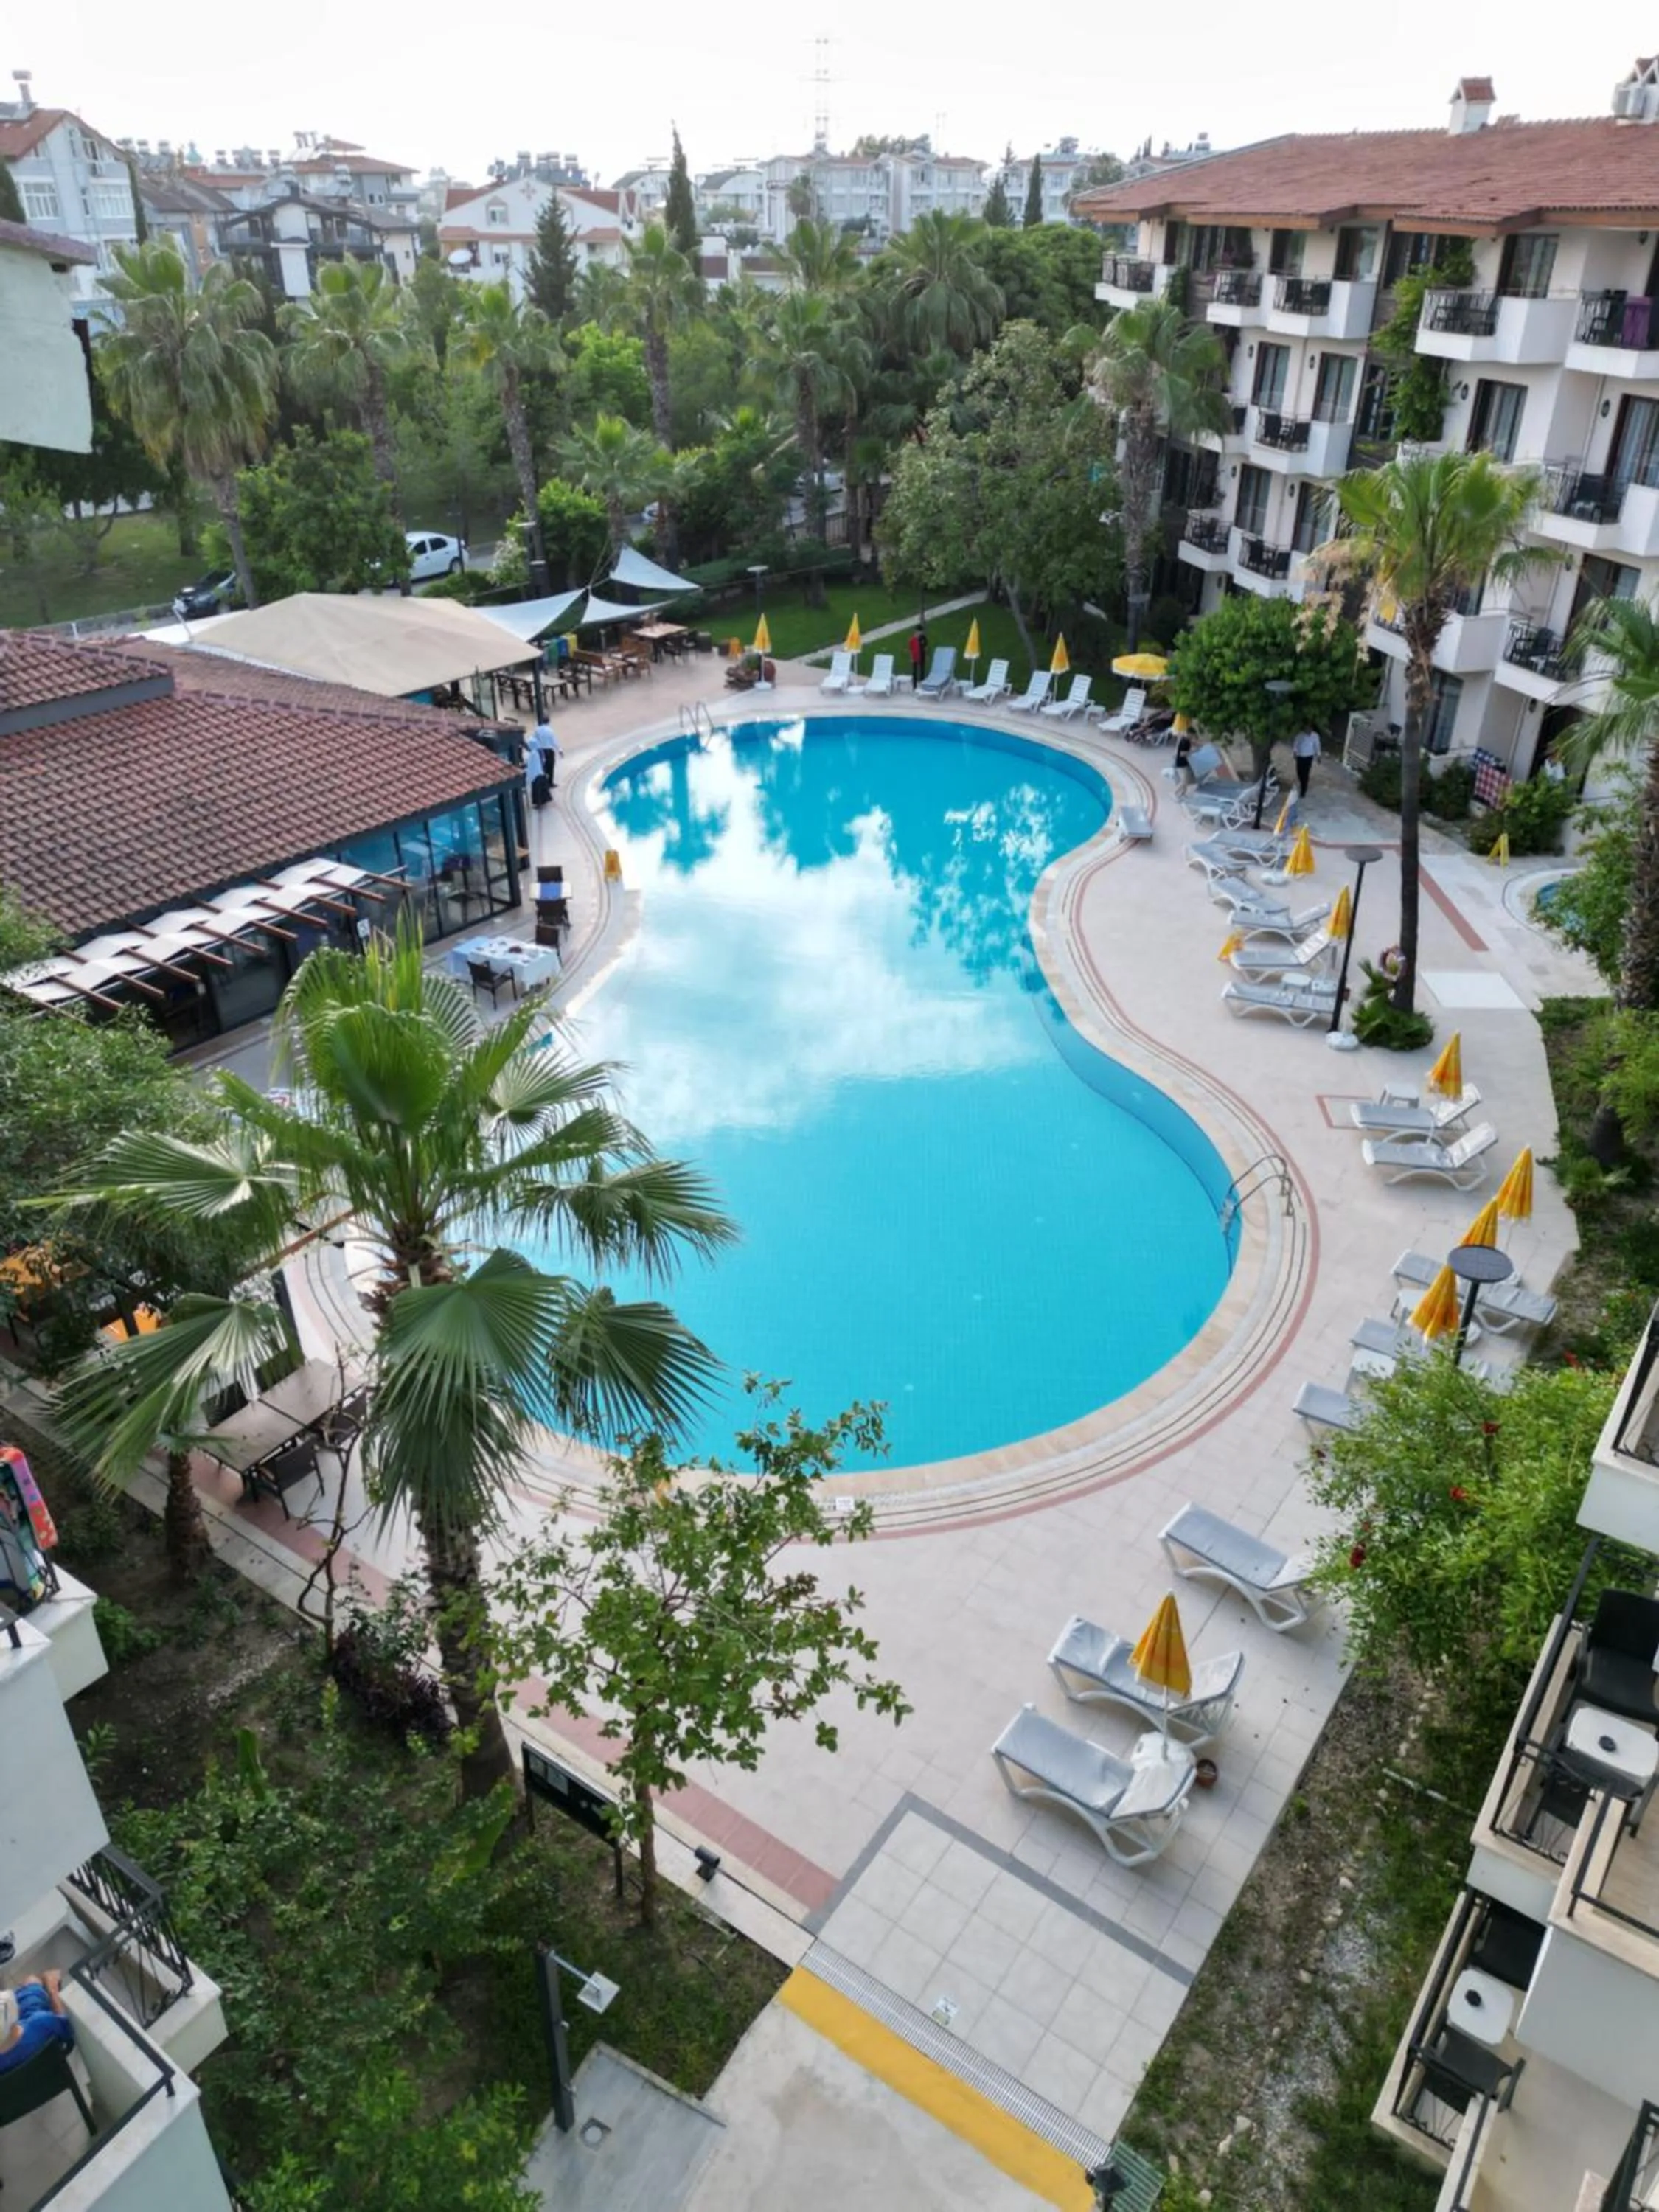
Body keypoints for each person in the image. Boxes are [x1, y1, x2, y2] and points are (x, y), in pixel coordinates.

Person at [0, 1972, 74, 2075]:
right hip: (35, 2035)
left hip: (21, 2082)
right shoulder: (43, 2021)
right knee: (32, 1981)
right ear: (16, 2008)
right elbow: (67, 2031)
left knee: (31, 1982)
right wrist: (53, 1991)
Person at [1292, 726, 1321, 800]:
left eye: (1310, 729)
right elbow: (1296, 744)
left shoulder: (1315, 736)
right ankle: (1302, 783)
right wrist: (1295, 752)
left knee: (1306, 773)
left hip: (1309, 756)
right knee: (1299, 772)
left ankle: (1303, 790)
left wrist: (1318, 756)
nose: (1308, 730)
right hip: (1300, 756)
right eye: (1306, 729)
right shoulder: (1300, 735)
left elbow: (1317, 745)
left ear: (1312, 729)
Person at [908, 623, 928, 691]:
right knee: (915, 672)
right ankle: (914, 686)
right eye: (917, 631)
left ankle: (922, 684)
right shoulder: (912, 639)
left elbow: (925, 647)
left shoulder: (923, 638)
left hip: (922, 656)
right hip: (915, 657)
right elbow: (911, 649)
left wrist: (926, 655)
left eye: (920, 631)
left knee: (922, 671)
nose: (919, 633)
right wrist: (911, 658)